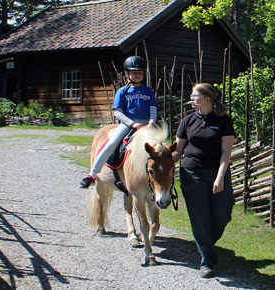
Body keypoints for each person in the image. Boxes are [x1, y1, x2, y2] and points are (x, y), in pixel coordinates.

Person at [172, 83, 235, 278]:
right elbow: (178, 151)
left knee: (223, 214)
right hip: (192, 173)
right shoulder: (187, 121)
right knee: (200, 217)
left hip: (217, 172)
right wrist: (161, 163)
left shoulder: (223, 121)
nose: (191, 99)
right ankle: (206, 260)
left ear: (207, 98)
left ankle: (205, 245)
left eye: (194, 96)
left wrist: (220, 176)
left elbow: (226, 152)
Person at [79, 56, 157, 188]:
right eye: (134, 72)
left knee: (160, 147)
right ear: (127, 73)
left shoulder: (148, 91)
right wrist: (132, 124)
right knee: (111, 143)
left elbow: (153, 109)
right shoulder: (122, 92)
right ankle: (92, 174)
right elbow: (118, 112)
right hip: (127, 124)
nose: (137, 75)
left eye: (140, 73)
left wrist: (151, 122)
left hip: (145, 124)